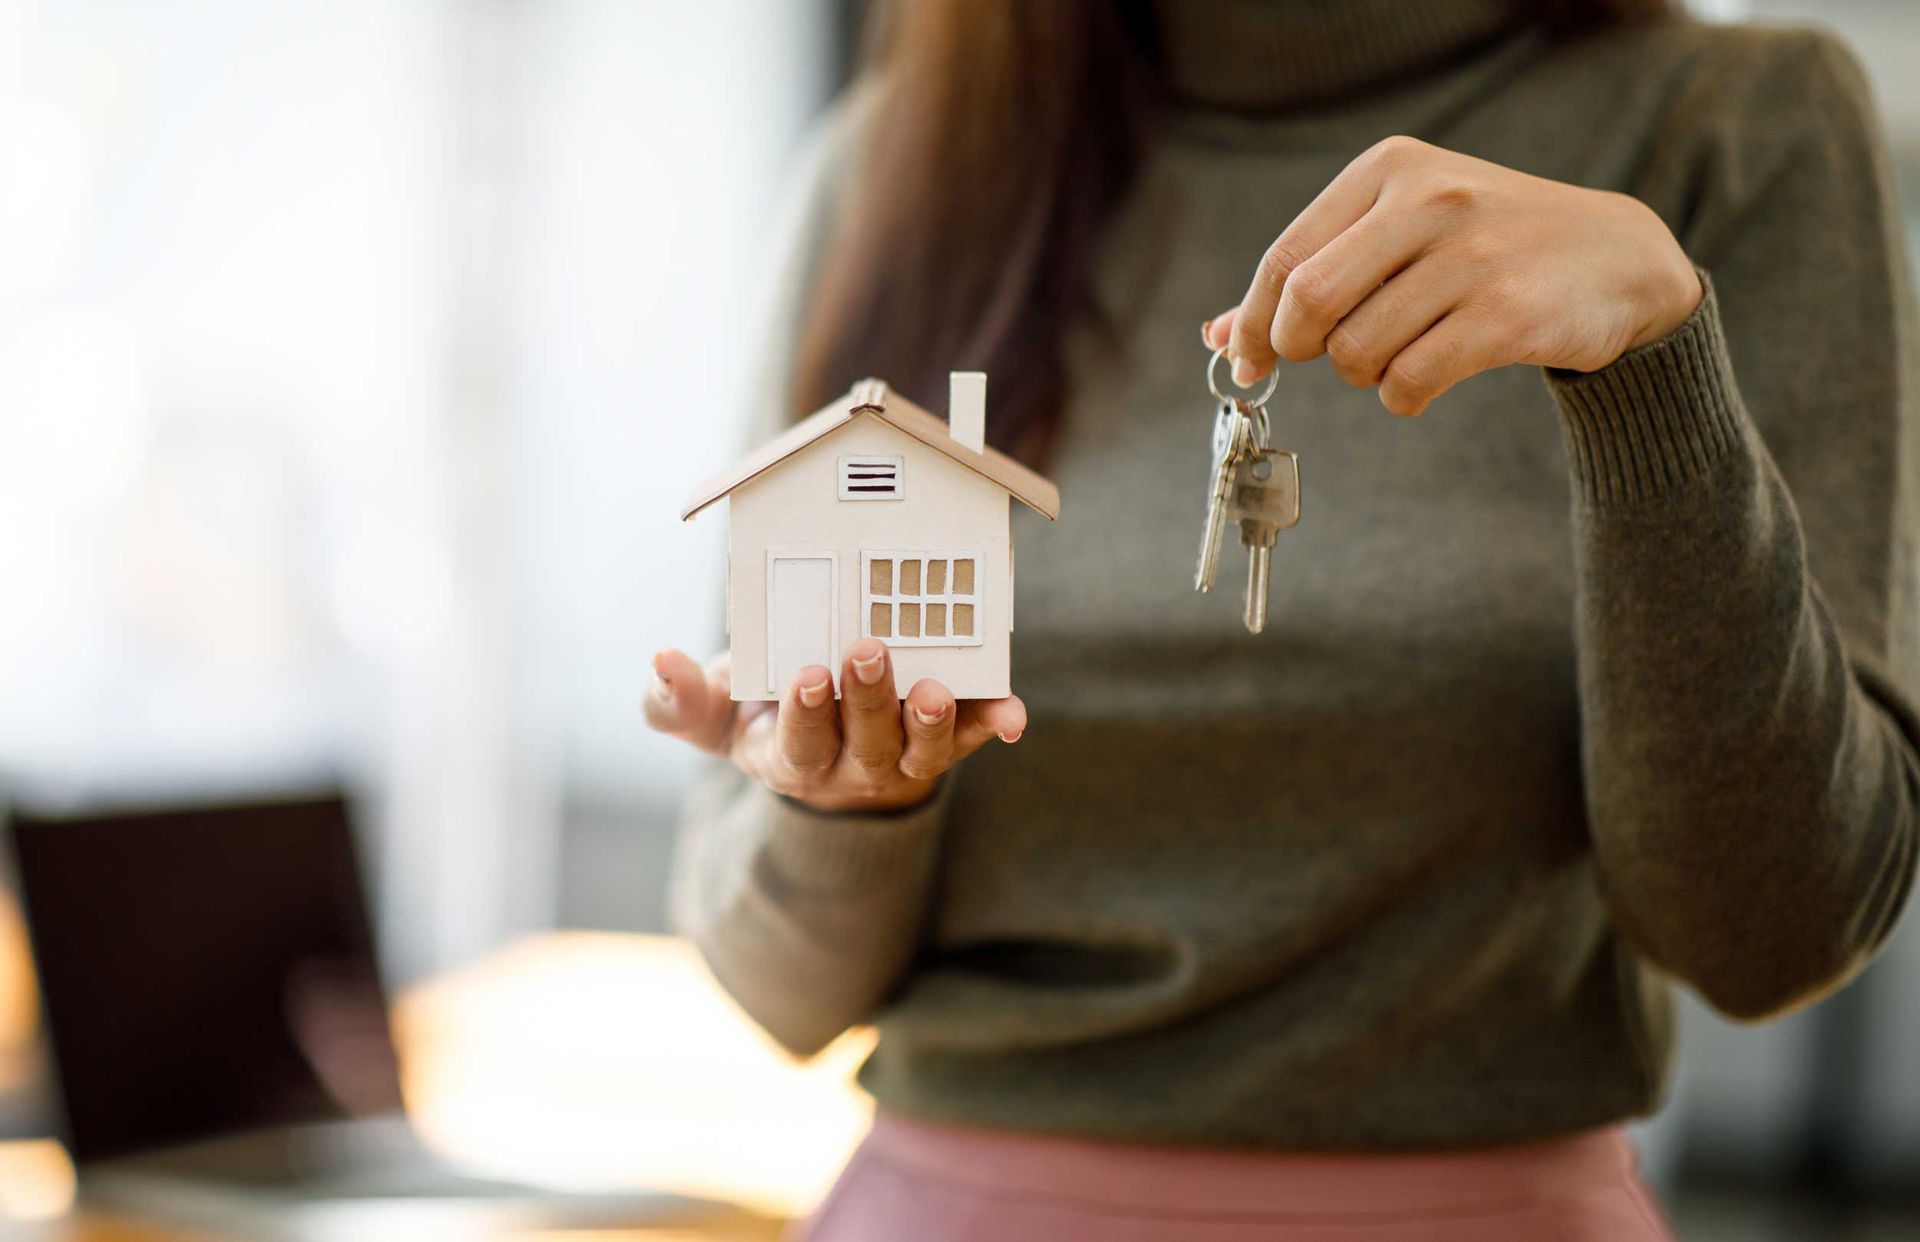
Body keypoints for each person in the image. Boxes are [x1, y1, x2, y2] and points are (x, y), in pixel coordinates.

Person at [645, 1, 1920, 1237]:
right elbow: (774, 987)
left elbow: (1781, 932)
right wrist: (842, 802)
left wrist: (1654, 367)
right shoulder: (900, 160)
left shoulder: (1741, 124)